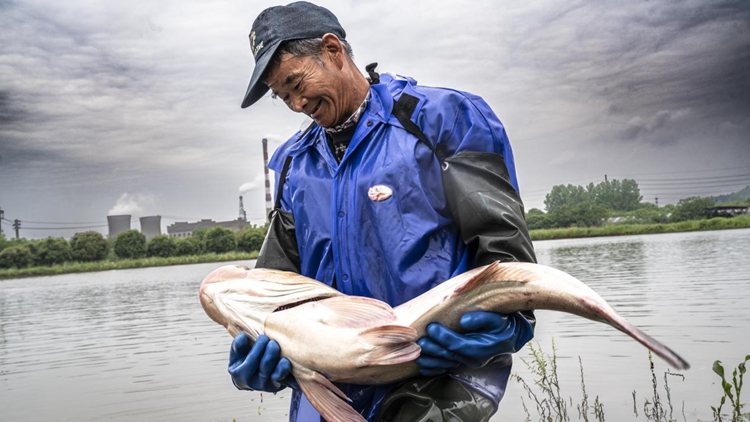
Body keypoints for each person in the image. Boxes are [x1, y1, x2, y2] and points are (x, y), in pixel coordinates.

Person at [228, 2, 537, 421]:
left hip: (434, 382)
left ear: (333, 50)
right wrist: (256, 349)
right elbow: (276, 291)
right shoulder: (292, 165)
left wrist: (511, 321)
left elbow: (505, 255)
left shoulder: (443, 121)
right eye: (284, 97)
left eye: (296, 83)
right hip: (328, 397)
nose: (297, 105)